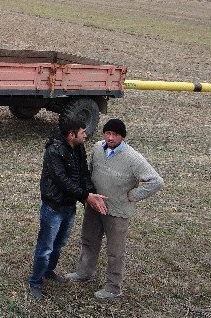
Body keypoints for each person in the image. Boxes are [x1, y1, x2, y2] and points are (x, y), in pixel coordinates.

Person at [66, 118, 164, 300]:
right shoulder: (97, 148)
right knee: (88, 241)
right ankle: (83, 272)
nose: (110, 137)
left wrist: (133, 196)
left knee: (115, 251)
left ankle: (113, 287)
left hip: (117, 212)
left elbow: (156, 181)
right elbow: (89, 171)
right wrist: (89, 194)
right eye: (108, 133)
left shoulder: (132, 157)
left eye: (115, 135)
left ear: (122, 137)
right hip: (95, 206)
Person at [28, 119, 107, 301]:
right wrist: (86, 196)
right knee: (45, 246)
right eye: (82, 132)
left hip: (69, 205)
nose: (86, 135)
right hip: (53, 206)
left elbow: (83, 174)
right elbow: (61, 180)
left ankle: (49, 271)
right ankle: (36, 282)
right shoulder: (54, 151)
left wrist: (92, 194)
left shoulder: (78, 147)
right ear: (71, 135)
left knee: (59, 243)